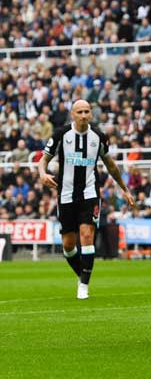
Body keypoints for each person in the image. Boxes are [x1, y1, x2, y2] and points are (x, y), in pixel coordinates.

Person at [38, 100, 135, 299]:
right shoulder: (60, 135)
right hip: (65, 194)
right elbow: (43, 159)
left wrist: (124, 189)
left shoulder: (98, 137)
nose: (84, 115)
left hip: (90, 194)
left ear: (91, 114)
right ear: (73, 114)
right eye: (80, 112)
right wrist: (42, 173)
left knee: (87, 235)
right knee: (68, 244)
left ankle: (83, 285)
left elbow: (111, 165)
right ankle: (83, 274)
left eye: (87, 111)